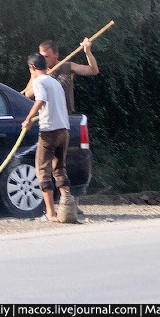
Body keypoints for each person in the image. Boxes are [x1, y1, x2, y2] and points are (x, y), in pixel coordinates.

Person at [21, 53, 73, 222]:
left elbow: (40, 99)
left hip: (49, 131)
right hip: (63, 129)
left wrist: (28, 118)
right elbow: (34, 96)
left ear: (33, 68)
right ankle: (67, 208)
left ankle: (50, 213)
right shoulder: (55, 82)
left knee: (43, 170)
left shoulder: (39, 81)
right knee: (59, 169)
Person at [26, 38, 99, 113]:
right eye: (42, 57)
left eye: (47, 56)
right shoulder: (37, 71)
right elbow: (28, 94)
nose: (43, 60)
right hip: (48, 115)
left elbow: (93, 71)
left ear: (56, 55)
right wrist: (43, 77)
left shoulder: (68, 66)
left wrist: (88, 52)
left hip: (66, 114)